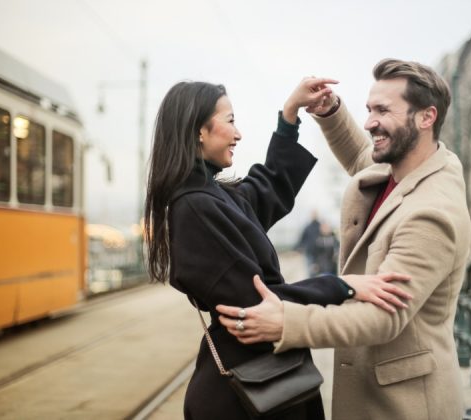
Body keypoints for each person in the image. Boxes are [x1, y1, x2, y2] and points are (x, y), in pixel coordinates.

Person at [217, 59, 471, 420]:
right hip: (376, 395)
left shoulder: (431, 212)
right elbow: (360, 156)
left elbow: (383, 317)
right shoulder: (406, 164)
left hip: (406, 406)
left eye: (383, 110)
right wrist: (330, 111)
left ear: (426, 117)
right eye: (369, 109)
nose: (369, 122)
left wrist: (286, 322)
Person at [144, 79, 413, 420]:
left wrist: (289, 117)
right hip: (249, 393)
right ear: (199, 131)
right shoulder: (195, 207)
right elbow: (258, 305)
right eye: (230, 121)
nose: (238, 134)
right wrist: (343, 285)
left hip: (262, 380)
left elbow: (268, 186)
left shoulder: (211, 196)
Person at [295, 211, 321, 275]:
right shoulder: (307, 227)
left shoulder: (320, 226)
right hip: (309, 252)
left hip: (319, 253)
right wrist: (296, 248)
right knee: (310, 270)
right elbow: (302, 239)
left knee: (319, 270)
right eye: (313, 215)